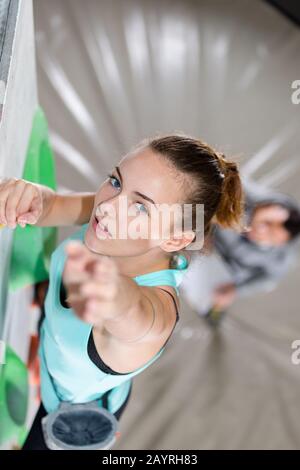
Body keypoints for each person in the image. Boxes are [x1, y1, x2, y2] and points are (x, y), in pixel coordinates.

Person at [0, 134, 243, 449]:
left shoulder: (157, 312)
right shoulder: (111, 217)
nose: (108, 206)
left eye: (141, 208)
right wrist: (28, 195)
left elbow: (138, 316)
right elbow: (53, 205)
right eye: (115, 181)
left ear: (175, 240)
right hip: (53, 354)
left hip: (69, 417)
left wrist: (116, 296)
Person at [180, 177, 300, 327]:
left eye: (271, 236)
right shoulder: (240, 191)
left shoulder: (282, 257)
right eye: (266, 222)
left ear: (281, 243)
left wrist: (235, 290)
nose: (261, 231)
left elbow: (267, 279)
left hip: (226, 274)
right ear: (267, 206)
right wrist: (204, 227)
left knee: (208, 302)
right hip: (206, 239)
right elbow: (206, 184)